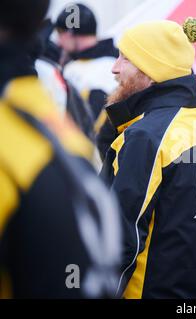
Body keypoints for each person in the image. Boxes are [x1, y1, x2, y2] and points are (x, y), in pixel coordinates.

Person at [0, 0, 121, 299]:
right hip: (84, 169)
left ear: (68, 35)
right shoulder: (56, 142)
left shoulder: (76, 73)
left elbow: (92, 124)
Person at [100, 18, 196, 299]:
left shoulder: (147, 137)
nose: (114, 67)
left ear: (151, 72)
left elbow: (121, 239)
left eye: (125, 58)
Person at [56, 3, 118, 120]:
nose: (59, 42)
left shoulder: (106, 66)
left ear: (70, 33)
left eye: (60, 33)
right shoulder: (117, 61)